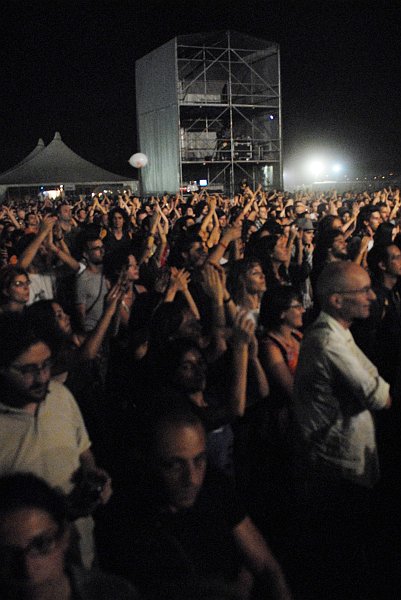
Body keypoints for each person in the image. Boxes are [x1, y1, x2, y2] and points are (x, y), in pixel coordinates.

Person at [106, 405, 292, 600]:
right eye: (175, 465)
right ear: (148, 460)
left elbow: (266, 566)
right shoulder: (127, 519)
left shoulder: (214, 485)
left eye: (199, 460)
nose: (192, 478)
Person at [291, 261, 391, 599]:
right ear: (335, 300)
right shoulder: (327, 343)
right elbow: (378, 395)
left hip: (345, 465)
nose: (372, 296)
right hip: (338, 470)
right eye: (363, 291)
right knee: (346, 562)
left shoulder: (338, 332)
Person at [0, 313, 112, 569]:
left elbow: (83, 450)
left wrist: (93, 475)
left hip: (82, 552)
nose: (42, 377)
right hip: (27, 572)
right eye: (28, 369)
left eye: (46, 364)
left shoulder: (61, 396)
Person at [0, 473, 139, 600]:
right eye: (8, 553)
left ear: (64, 537)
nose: (27, 568)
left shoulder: (112, 594)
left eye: (41, 544)